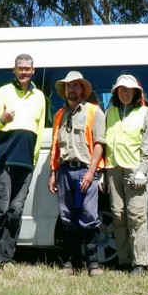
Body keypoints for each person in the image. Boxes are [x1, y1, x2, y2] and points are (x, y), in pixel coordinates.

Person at [0, 53, 47, 274]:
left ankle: (7, 257)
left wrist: (35, 158)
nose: (24, 72)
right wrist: (2, 120)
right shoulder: (3, 92)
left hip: (26, 164)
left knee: (15, 211)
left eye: (28, 68)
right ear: (14, 70)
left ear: (33, 70)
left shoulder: (39, 96)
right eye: (20, 68)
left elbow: (38, 131)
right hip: (4, 161)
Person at [47, 70, 106, 275]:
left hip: (84, 171)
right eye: (68, 86)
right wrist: (53, 172)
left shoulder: (94, 111)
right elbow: (55, 146)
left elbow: (99, 144)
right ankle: (72, 262)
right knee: (67, 218)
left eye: (76, 85)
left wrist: (91, 172)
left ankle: (93, 263)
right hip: (64, 171)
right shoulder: (59, 115)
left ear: (82, 89)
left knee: (89, 216)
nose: (72, 89)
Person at [103, 74, 148, 276]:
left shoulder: (144, 112)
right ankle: (123, 260)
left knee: (136, 216)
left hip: (135, 170)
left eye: (128, 90)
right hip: (113, 168)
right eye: (121, 90)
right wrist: (102, 173)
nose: (124, 93)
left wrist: (142, 171)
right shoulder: (110, 112)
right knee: (117, 215)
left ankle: (140, 263)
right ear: (116, 93)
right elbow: (103, 142)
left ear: (135, 92)